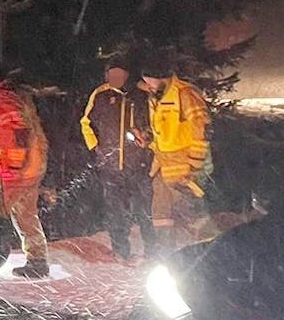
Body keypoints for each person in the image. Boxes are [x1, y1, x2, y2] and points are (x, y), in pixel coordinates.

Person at [80, 58, 156, 262]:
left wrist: (147, 139)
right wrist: (95, 148)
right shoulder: (101, 94)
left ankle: (153, 252)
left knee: (146, 211)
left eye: (118, 74)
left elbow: (157, 122)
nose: (114, 78)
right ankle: (121, 251)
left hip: (140, 164)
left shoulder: (141, 95)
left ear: (126, 75)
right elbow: (86, 122)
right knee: (116, 212)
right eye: (110, 75)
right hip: (111, 166)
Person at [0, 73, 49, 279]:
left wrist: (13, 165)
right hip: (30, 165)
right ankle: (37, 261)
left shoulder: (5, 98)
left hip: (18, 169)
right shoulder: (6, 97)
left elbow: (18, 130)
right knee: (25, 215)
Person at [138, 64, 211, 248]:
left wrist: (194, 166)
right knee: (160, 216)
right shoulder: (156, 96)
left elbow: (201, 130)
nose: (149, 86)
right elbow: (164, 132)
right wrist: (148, 139)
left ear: (162, 77)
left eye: (151, 82)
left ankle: (212, 256)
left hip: (184, 172)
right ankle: (167, 257)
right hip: (162, 168)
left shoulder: (185, 94)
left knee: (195, 218)